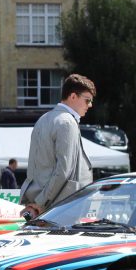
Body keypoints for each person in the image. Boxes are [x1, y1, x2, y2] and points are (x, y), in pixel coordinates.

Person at [19, 74, 96, 217]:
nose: (90, 105)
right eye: (87, 100)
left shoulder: (43, 119)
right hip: (60, 206)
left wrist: (36, 202)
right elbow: (63, 170)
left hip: (41, 202)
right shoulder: (67, 122)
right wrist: (41, 203)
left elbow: (36, 166)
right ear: (73, 96)